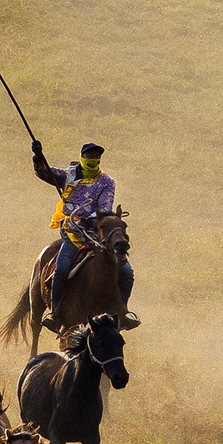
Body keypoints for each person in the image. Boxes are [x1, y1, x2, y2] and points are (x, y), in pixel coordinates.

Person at [31, 140, 133, 328]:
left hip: (98, 233)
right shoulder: (68, 175)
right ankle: (55, 313)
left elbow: (105, 207)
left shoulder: (106, 182)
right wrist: (38, 157)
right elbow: (45, 173)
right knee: (61, 268)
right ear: (82, 157)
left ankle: (123, 312)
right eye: (89, 156)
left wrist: (91, 218)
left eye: (96, 157)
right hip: (73, 234)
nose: (92, 160)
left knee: (127, 271)